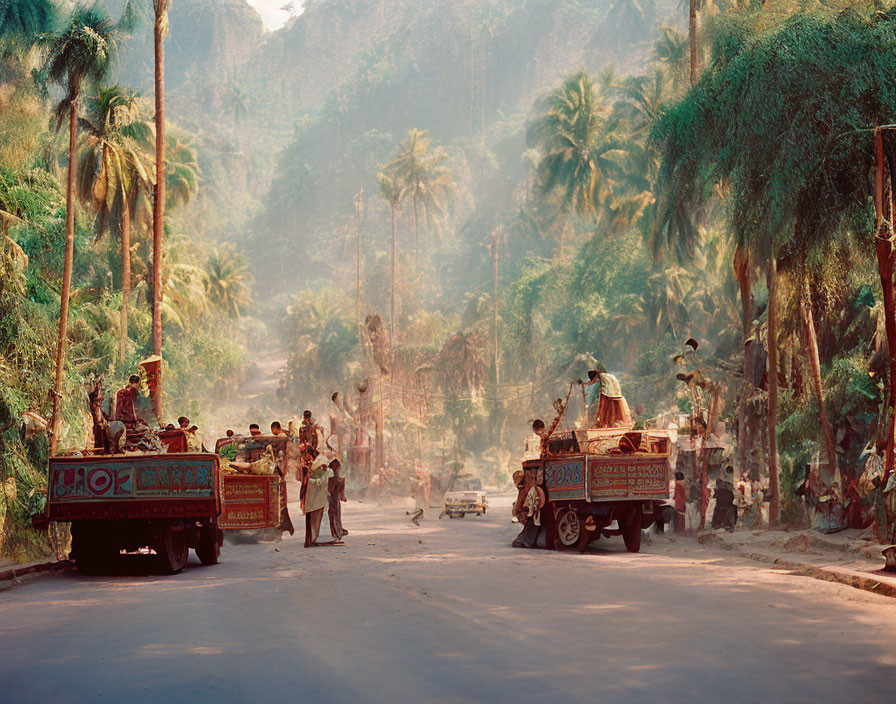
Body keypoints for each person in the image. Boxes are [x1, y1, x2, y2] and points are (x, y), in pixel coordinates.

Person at [304, 453, 337, 547]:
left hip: (323, 499)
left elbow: (330, 474)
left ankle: (323, 537)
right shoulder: (317, 473)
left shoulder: (323, 472)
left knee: (323, 517)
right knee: (318, 518)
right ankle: (317, 537)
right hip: (318, 500)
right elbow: (318, 483)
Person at [327, 458, 348, 541]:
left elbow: (341, 493)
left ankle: (336, 532)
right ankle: (335, 532)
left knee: (334, 515)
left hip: (333, 499)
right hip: (331, 499)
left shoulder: (337, 479)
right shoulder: (334, 479)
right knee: (334, 516)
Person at [711, 465, 737, 531]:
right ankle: (729, 524)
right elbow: (732, 498)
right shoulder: (728, 486)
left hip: (721, 504)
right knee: (731, 508)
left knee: (721, 508)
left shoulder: (721, 486)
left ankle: (718, 523)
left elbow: (715, 496)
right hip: (726, 505)